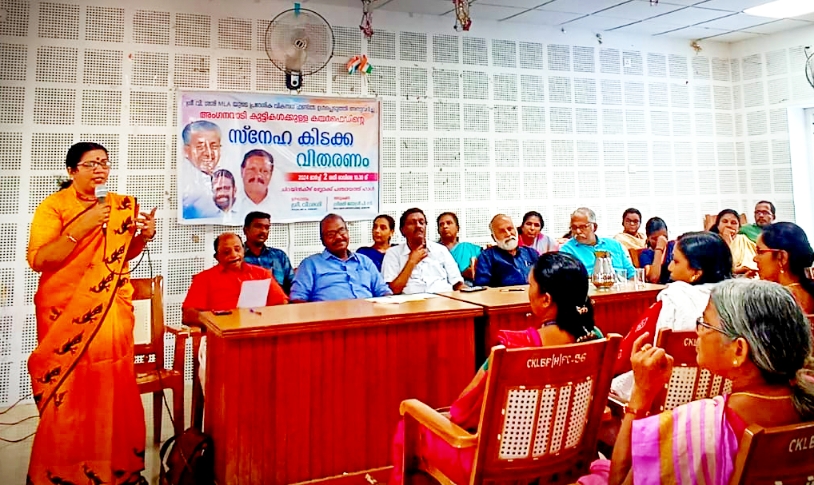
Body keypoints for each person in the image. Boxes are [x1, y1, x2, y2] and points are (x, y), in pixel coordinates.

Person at [391, 253, 602, 484]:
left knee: (410, 424)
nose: (528, 291)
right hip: (567, 461)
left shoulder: (513, 348)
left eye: (530, 285)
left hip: (500, 468)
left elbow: (462, 411)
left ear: (546, 299)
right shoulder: (595, 338)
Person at [590, 279, 814, 485]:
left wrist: (641, 393)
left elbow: (619, 482)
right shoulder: (805, 396)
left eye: (706, 324)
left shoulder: (695, 427)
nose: (698, 331)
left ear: (738, 350)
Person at [26, 142, 157, 485]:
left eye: (104, 163)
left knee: (112, 390)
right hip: (66, 313)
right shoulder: (54, 207)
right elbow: (39, 259)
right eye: (90, 164)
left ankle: (115, 469)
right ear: (71, 170)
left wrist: (144, 237)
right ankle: (63, 473)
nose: (99, 169)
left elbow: (120, 257)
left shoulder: (118, 206)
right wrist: (82, 226)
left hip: (110, 312)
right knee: (69, 395)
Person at [611, 232, 733, 397]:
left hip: (667, 397)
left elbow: (628, 356)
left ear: (696, 272)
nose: (669, 267)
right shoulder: (737, 299)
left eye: (675, 261)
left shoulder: (673, 299)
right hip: (721, 397)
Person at [183, 232, 288, 393]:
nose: (234, 255)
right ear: (217, 257)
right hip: (220, 339)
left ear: (243, 250)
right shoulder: (205, 278)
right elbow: (188, 314)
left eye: (237, 249)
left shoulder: (261, 274)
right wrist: (217, 320)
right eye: (226, 252)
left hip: (259, 336)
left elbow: (282, 304)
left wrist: (263, 316)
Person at [290, 214, 392, 302]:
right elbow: (297, 299)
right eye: (331, 234)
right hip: (331, 317)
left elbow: (383, 292)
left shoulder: (365, 261)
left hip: (369, 315)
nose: (338, 237)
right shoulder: (310, 264)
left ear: (347, 232)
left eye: (341, 231)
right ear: (322, 240)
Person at [381, 208, 464, 294]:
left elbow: (457, 283)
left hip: (444, 298)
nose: (418, 226)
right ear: (402, 230)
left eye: (421, 222)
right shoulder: (393, 253)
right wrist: (411, 262)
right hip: (411, 301)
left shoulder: (440, 250)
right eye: (412, 223)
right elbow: (392, 290)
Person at [754, 222, 814, 314]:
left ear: (782, 257)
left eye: (760, 252)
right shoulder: (809, 293)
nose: (755, 259)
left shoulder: (772, 301)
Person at [560, 207, 635, 279]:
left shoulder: (614, 245)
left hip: (621, 286)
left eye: (583, 227)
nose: (578, 231)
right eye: (574, 227)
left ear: (595, 227)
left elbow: (632, 274)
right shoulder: (566, 251)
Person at [475, 214, 538, 287]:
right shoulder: (487, 256)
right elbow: (482, 287)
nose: (508, 234)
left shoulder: (530, 253)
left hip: (531, 293)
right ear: (493, 237)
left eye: (510, 229)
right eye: (502, 231)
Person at [242, 211, 295, 294]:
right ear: (246, 230)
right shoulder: (237, 258)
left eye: (267, 227)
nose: (263, 231)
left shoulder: (279, 256)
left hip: (279, 300)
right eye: (258, 226)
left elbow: (293, 285)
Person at [181, 120, 221, 219]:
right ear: (186, 150)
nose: (208, 153)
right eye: (200, 147)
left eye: (214, 146)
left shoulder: (225, 176)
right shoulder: (183, 182)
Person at [437, 212, 481, 281]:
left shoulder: (471, 249)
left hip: (469, 286)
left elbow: (483, 271)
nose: (445, 226)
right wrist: (462, 273)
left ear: (457, 228)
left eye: (449, 223)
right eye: (441, 224)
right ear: (438, 230)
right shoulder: (432, 251)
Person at [713, 209, 757, 275]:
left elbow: (755, 261)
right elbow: (713, 268)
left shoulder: (743, 239)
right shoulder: (711, 241)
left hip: (747, 276)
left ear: (738, 228)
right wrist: (727, 243)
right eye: (725, 221)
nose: (729, 225)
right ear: (718, 225)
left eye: (733, 223)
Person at [638, 217, 675, 284]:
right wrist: (659, 249)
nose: (660, 240)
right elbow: (653, 278)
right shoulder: (646, 254)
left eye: (664, 237)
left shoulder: (673, 246)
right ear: (648, 238)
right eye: (655, 239)